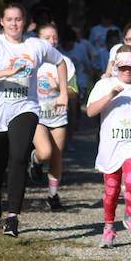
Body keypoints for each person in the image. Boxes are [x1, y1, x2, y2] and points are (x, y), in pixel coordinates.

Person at [0, 3, 67, 237]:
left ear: (25, 22)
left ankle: (13, 217)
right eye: (10, 20)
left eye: (18, 19)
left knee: (18, 157)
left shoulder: (36, 45)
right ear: (2, 22)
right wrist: (7, 72)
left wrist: (63, 91)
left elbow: (60, 61)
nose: (14, 24)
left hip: (25, 107)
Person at [87, 45, 131, 247]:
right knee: (112, 189)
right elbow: (90, 112)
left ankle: (130, 217)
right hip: (111, 145)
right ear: (116, 66)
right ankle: (108, 228)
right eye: (123, 67)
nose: (127, 72)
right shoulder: (104, 84)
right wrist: (110, 95)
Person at [27, 23, 76, 210]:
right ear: (38, 39)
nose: (51, 41)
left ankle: (52, 195)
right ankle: (36, 159)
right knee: (45, 152)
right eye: (47, 38)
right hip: (37, 115)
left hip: (58, 117)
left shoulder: (65, 62)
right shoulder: (32, 60)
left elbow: (73, 91)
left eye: (54, 38)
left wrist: (57, 87)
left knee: (56, 156)